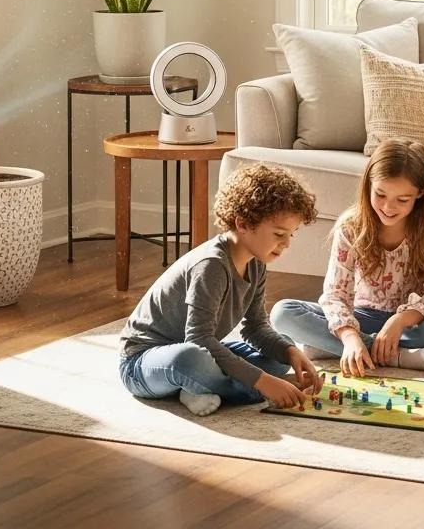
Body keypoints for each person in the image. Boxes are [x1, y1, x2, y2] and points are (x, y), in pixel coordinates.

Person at [119, 163, 323, 417]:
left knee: (278, 358)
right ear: (243, 223)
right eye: (280, 233)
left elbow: (256, 327)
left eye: (291, 234)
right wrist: (264, 383)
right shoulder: (211, 266)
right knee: (189, 359)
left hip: (201, 352)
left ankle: (202, 387)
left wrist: (290, 352)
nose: (287, 243)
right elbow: (199, 340)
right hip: (144, 363)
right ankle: (237, 390)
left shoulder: (256, 261)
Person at [270, 140, 424, 377]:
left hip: (413, 323)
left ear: (420, 194)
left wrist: (400, 320)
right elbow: (335, 294)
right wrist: (348, 335)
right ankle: (397, 356)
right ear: (369, 185)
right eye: (380, 194)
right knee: (283, 313)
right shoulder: (351, 226)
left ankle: (332, 346)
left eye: (402, 200)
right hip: (362, 316)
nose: (388, 207)